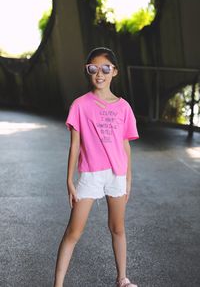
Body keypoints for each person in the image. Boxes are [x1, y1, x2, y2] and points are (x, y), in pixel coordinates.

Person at [53, 47, 139, 287]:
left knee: (117, 228)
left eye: (105, 68)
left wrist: (128, 179)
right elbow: (75, 145)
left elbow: (126, 146)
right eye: (93, 68)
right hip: (90, 174)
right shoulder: (80, 105)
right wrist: (69, 179)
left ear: (115, 72)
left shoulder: (124, 107)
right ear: (87, 71)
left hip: (116, 176)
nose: (99, 74)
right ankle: (57, 284)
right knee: (73, 232)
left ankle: (122, 279)